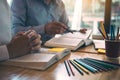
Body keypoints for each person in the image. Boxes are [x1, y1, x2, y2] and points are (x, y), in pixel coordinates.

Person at [11, 0, 87, 44]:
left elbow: (66, 28)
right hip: (27, 51)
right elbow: (14, 30)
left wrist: (77, 32)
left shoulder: (60, 4)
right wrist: (44, 29)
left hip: (51, 51)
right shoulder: (20, 1)